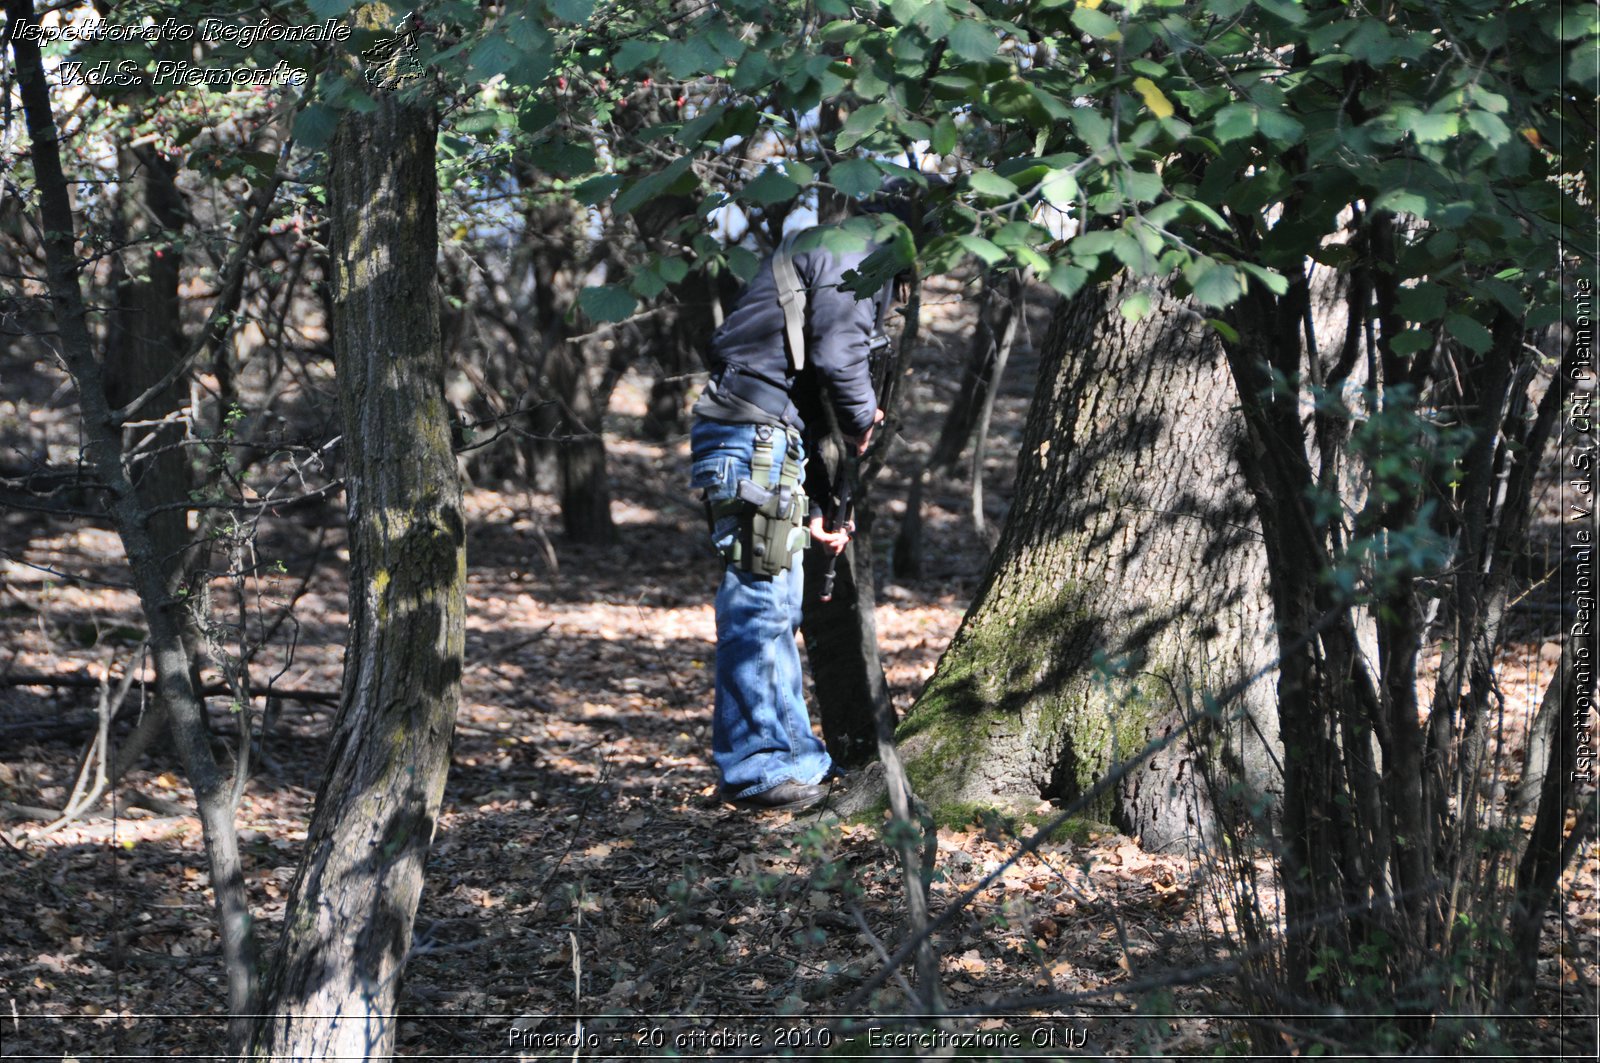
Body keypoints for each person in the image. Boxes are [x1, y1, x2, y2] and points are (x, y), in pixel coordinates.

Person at [689, 223, 895, 811]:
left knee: (776, 606)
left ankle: (791, 762)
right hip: (752, 439)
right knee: (758, 604)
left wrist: (816, 509)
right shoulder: (855, 249)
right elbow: (837, 354)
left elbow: (802, 375)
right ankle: (757, 771)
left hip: (767, 442)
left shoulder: (837, 248)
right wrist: (862, 420)